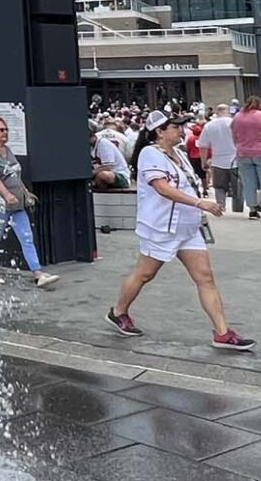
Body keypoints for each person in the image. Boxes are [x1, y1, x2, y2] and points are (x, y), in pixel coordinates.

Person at [107, 111, 253, 349]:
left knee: (205, 277)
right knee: (145, 274)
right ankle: (118, 310)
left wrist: (199, 210)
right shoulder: (150, 154)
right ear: (160, 131)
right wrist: (199, 203)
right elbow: (162, 188)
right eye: (175, 127)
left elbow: (186, 185)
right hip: (161, 227)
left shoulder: (180, 155)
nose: (181, 130)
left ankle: (222, 332)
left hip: (187, 226)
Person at [0, 115, 60, 289]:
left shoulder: (8, 151)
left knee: (26, 237)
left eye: (6, 129)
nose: (5, 133)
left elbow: (14, 174)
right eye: (1, 130)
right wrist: (6, 194)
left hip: (17, 204)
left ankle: (37, 272)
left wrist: (25, 192)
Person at [229, 99, 261, 220]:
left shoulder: (237, 117)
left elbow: (233, 136)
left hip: (243, 152)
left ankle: (252, 210)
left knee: (248, 182)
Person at [202, 100, 241, 214]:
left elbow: (203, 145)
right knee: (237, 187)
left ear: (216, 112)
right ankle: (237, 208)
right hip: (236, 160)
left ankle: (221, 206)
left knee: (219, 186)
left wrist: (203, 161)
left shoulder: (209, 125)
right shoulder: (235, 123)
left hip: (217, 161)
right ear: (228, 111)